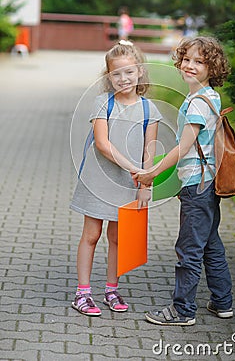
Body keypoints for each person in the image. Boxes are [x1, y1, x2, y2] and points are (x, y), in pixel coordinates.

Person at [132, 36, 233, 326]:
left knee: (189, 249)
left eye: (199, 62)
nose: (190, 66)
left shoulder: (199, 103)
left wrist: (151, 173)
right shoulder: (208, 95)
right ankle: (222, 302)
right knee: (210, 243)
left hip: (197, 185)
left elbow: (182, 148)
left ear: (212, 68)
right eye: (186, 59)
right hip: (207, 183)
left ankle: (183, 311)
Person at [70, 40, 162, 316]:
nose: (123, 79)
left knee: (118, 237)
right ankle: (83, 293)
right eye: (116, 74)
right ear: (108, 76)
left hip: (128, 184)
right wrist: (131, 167)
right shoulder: (103, 103)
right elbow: (102, 143)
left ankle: (112, 288)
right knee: (92, 234)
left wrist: (146, 183)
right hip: (98, 180)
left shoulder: (149, 110)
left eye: (129, 72)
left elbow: (150, 150)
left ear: (140, 72)